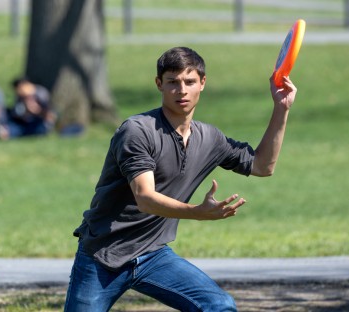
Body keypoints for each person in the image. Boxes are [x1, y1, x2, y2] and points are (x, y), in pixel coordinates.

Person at [64, 46, 297, 311]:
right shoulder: (138, 131)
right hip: (103, 256)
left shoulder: (210, 139)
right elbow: (145, 198)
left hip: (154, 255)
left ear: (203, 83)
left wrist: (281, 108)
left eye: (189, 81)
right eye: (173, 82)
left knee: (218, 305)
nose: (182, 90)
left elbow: (262, 165)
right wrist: (197, 212)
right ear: (159, 84)